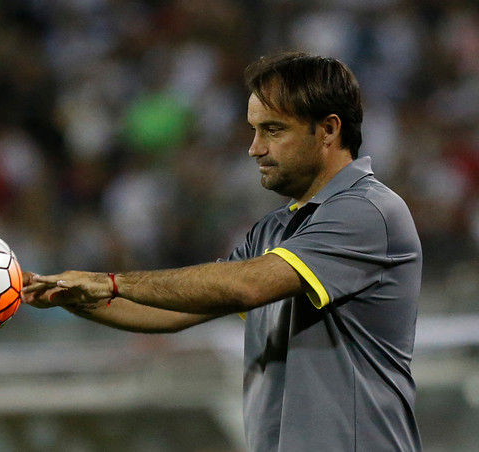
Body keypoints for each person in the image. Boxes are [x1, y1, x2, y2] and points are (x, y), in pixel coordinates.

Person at [22, 52, 423, 452]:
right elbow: (176, 309)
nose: (255, 148)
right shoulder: (274, 229)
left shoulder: (368, 211)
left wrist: (112, 282)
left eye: (272, 130)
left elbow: (245, 286)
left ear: (328, 130)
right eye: (254, 130)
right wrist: (73, 296)